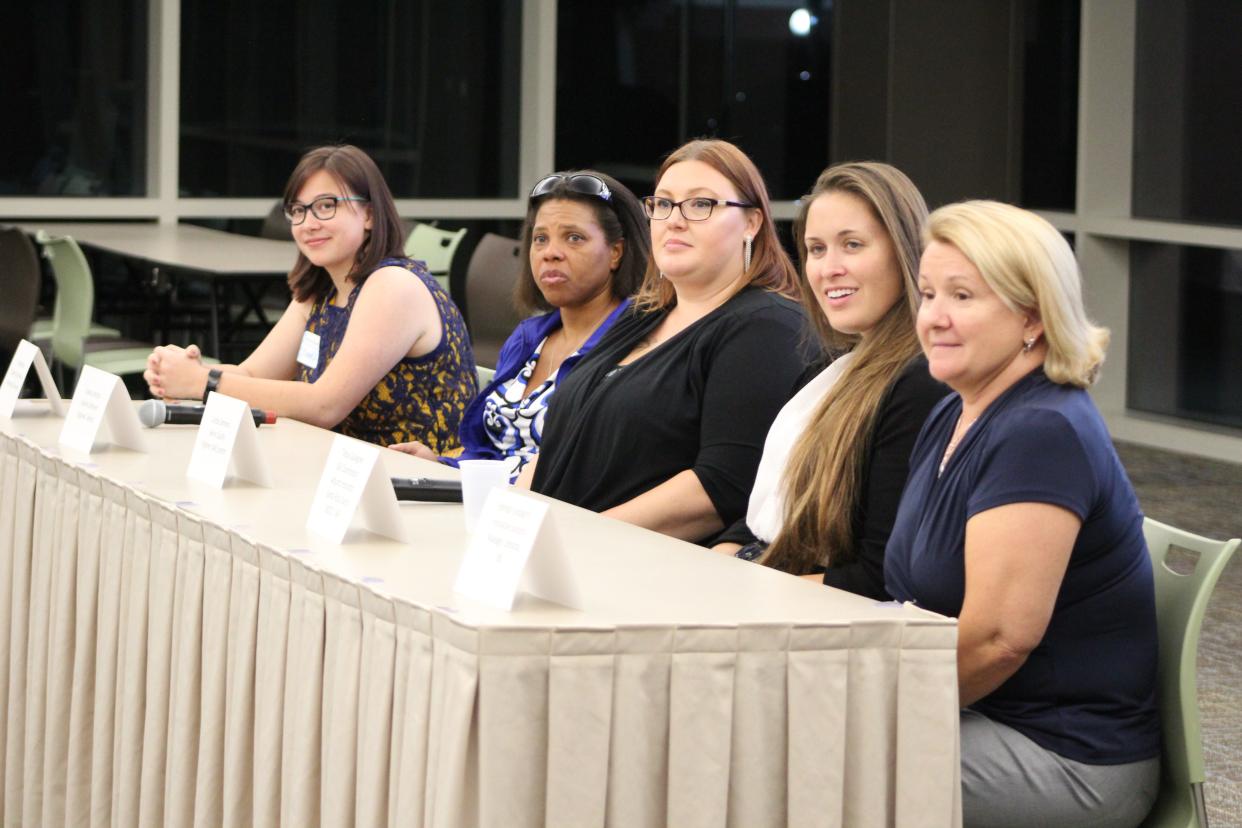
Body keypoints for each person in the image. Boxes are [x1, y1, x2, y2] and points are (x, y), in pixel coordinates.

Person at [884, 201, 1160, 827]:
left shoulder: (1041, 432)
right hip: (984, 718)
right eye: (928, 294)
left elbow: (999, 640)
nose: (935, 318)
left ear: (1032, 315)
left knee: (803, 761)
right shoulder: (956, 408)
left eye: (963, 296)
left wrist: (873, 709)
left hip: (1066, 758)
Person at [526, 139, 808, 543]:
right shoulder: (643, 315)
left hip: (641, 573)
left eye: (700, 204)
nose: (674, 220)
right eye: (663, 204)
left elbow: (721, 486)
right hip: (554, 553)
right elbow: (561, 443)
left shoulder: (767, 326)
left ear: (752, 223)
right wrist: (510, 519)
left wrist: (578, 535)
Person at [712, 162, 947, 600]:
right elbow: (768, 512)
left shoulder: (919, 382)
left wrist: (735, 593)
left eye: (852, 245)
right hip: (762, 582)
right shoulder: (831, 366)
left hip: (815, 620)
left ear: (905, 250)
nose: (829, 268)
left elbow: (877, 581)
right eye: (816, 249)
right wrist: (711, 572)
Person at [143, 144, 477, 449]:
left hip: (420, 488)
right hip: (344, 474)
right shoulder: (321, 290)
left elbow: (324, 405)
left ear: (370, 215)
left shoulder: (393, 285)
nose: (308, 223)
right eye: (298, 210)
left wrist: (205, 382)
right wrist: (181, 374)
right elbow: (253, 377)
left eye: (326, 206)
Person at [389, 170, 649, 480]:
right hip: (487, 508)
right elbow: (492, 454)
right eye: (540, 239)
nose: (550, 253)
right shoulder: (528, 339)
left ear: (615, 253)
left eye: (574, 237)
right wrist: (441, 465)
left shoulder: (636, 347)